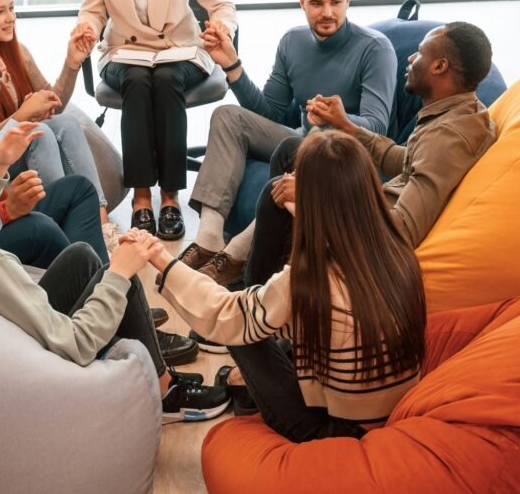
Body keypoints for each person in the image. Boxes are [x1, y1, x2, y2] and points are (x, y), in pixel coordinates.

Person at [0, 12, 198, 365]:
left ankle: (117, 308)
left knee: (78, 197)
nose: (2, 67)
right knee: (42, 230)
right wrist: (5, 210)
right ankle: (122, 319)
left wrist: (0, 165)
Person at [0, 123, 229, 424]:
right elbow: (75, 344)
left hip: (8, 342)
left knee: (81, 256)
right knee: (118, 278)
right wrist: (120, 273)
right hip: (42, 361)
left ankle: (139, 338)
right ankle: (166, 393)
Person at [148, 130, 426, 442]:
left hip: (331, 432)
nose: (290, 180)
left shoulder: (311, 280)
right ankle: (250, 375)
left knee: (239, 326)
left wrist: (161, 259)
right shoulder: (397, 250)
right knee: (265, 315)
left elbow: (225, 314)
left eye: (298, 179)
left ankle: (247, 384)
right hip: (382, 412)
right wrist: (305, 211)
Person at [180, 0, 396, 284]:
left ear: (348, 0)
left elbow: (377, 128)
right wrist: (233, 66)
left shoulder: (375, 49)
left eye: (336, 2)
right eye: (317, 3)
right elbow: (271, 113)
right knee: (227, 116)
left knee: (298, 144)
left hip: (347, 155)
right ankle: (209, 239)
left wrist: (340, 120)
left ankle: (237, 252)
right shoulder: (292, 42)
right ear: (302, 2)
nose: (328, 13)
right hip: (298, 140)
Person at [243, 21, 498, 290]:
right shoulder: (460, 113)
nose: (411, 58)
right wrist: (347, 126)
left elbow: (402, 229)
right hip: (377, 206)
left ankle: (256, 300)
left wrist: (314, 196)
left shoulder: (448, 138)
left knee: (277, 190)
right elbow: (408, 162)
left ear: (439, 66)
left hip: (370, 236)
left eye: (421, 52)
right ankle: (281, 270)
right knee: (293, 150)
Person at [73, 0, 237, 240]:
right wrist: (87, 28)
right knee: (136, 79)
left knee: (164, 79)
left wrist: (221, 27)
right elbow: (93, 7)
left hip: (179, 48)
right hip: (125, 51)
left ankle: (170, 197)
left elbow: (220, 3)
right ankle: (142, 196)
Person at [0, 0, 118, 252]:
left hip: (24, 152)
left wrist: (71, 63)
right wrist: (21, 116)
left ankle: (102, 227)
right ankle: (63, 220)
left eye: (12, 8)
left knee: (65, 122)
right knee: (38, 131)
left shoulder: (18, 52)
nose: (11, 18)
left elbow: (54, 104)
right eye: (0, 12)